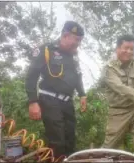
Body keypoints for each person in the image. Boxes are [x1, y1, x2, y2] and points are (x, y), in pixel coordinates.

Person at [25, 21, 87, 158]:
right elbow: (31, 76)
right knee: (57, 141)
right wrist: (32, 102)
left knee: (70, 140)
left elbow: (78, 75)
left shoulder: (73, 55)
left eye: (80, 40)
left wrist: (82, 94)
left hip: (68, 102)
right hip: (50, 100)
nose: (78, 44)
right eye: (76, 40)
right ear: (65, 35)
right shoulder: (46, 50)